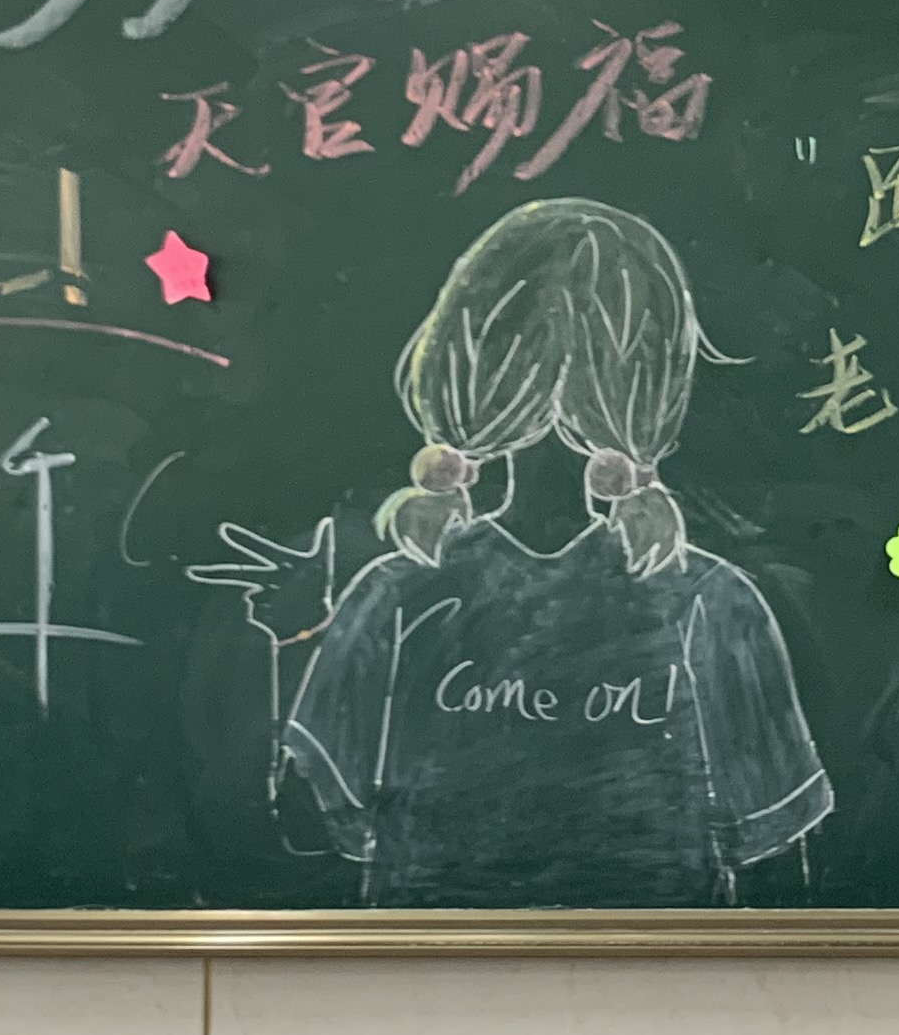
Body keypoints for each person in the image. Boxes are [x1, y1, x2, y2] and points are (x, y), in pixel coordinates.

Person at [271, 199, 831, 908]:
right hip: (664, 960)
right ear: (657, 386)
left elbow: (316, 819)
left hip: (430, 958)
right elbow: (776, 844)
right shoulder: (709, 600)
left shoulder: (399, 592)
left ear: (460, 369)